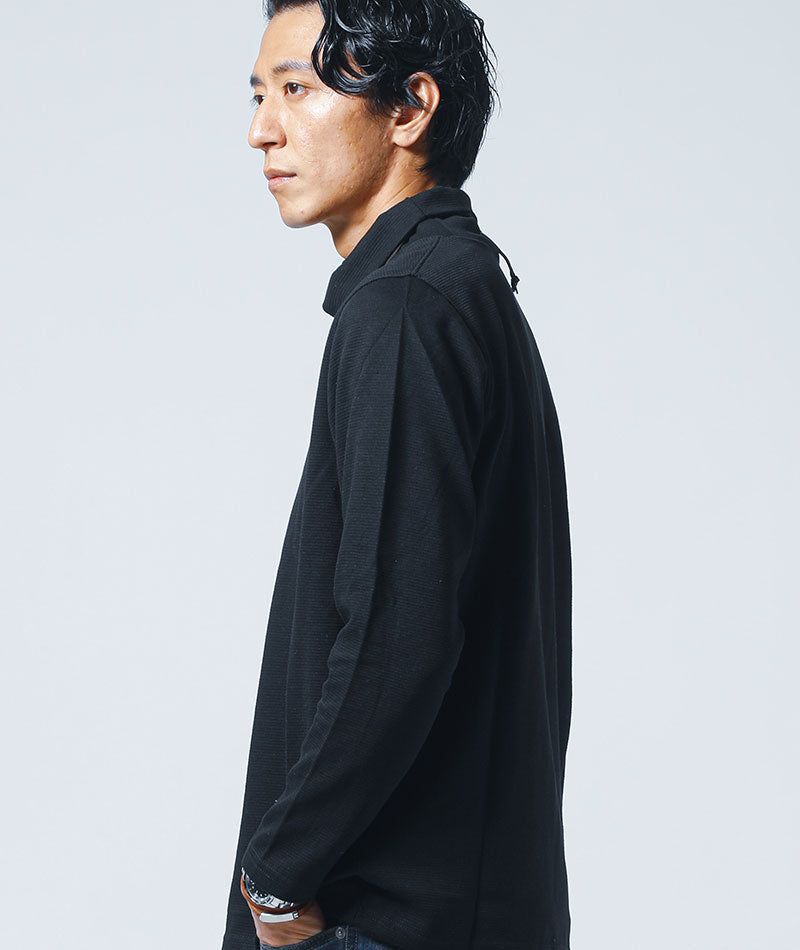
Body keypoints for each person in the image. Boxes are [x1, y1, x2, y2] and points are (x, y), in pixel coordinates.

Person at [221, 1, 573, 948]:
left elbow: (396, 631)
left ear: (410, 107)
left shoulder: (409, 307)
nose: (263, 130)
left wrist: (277, 877)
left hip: (381, 919)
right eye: (258, 95)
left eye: (298, 89)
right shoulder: (459, 288)